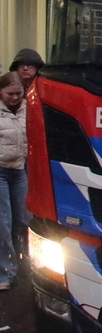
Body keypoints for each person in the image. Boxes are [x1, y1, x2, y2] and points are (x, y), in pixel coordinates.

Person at [0, 71, 28, 291]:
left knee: (23, 219)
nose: (15, 97)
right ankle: (6, 273)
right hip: (0, 172)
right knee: (4, 223)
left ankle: (22, 262)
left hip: (20, 170)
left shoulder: (28, 109)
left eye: (19, 93)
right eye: (10, 93)